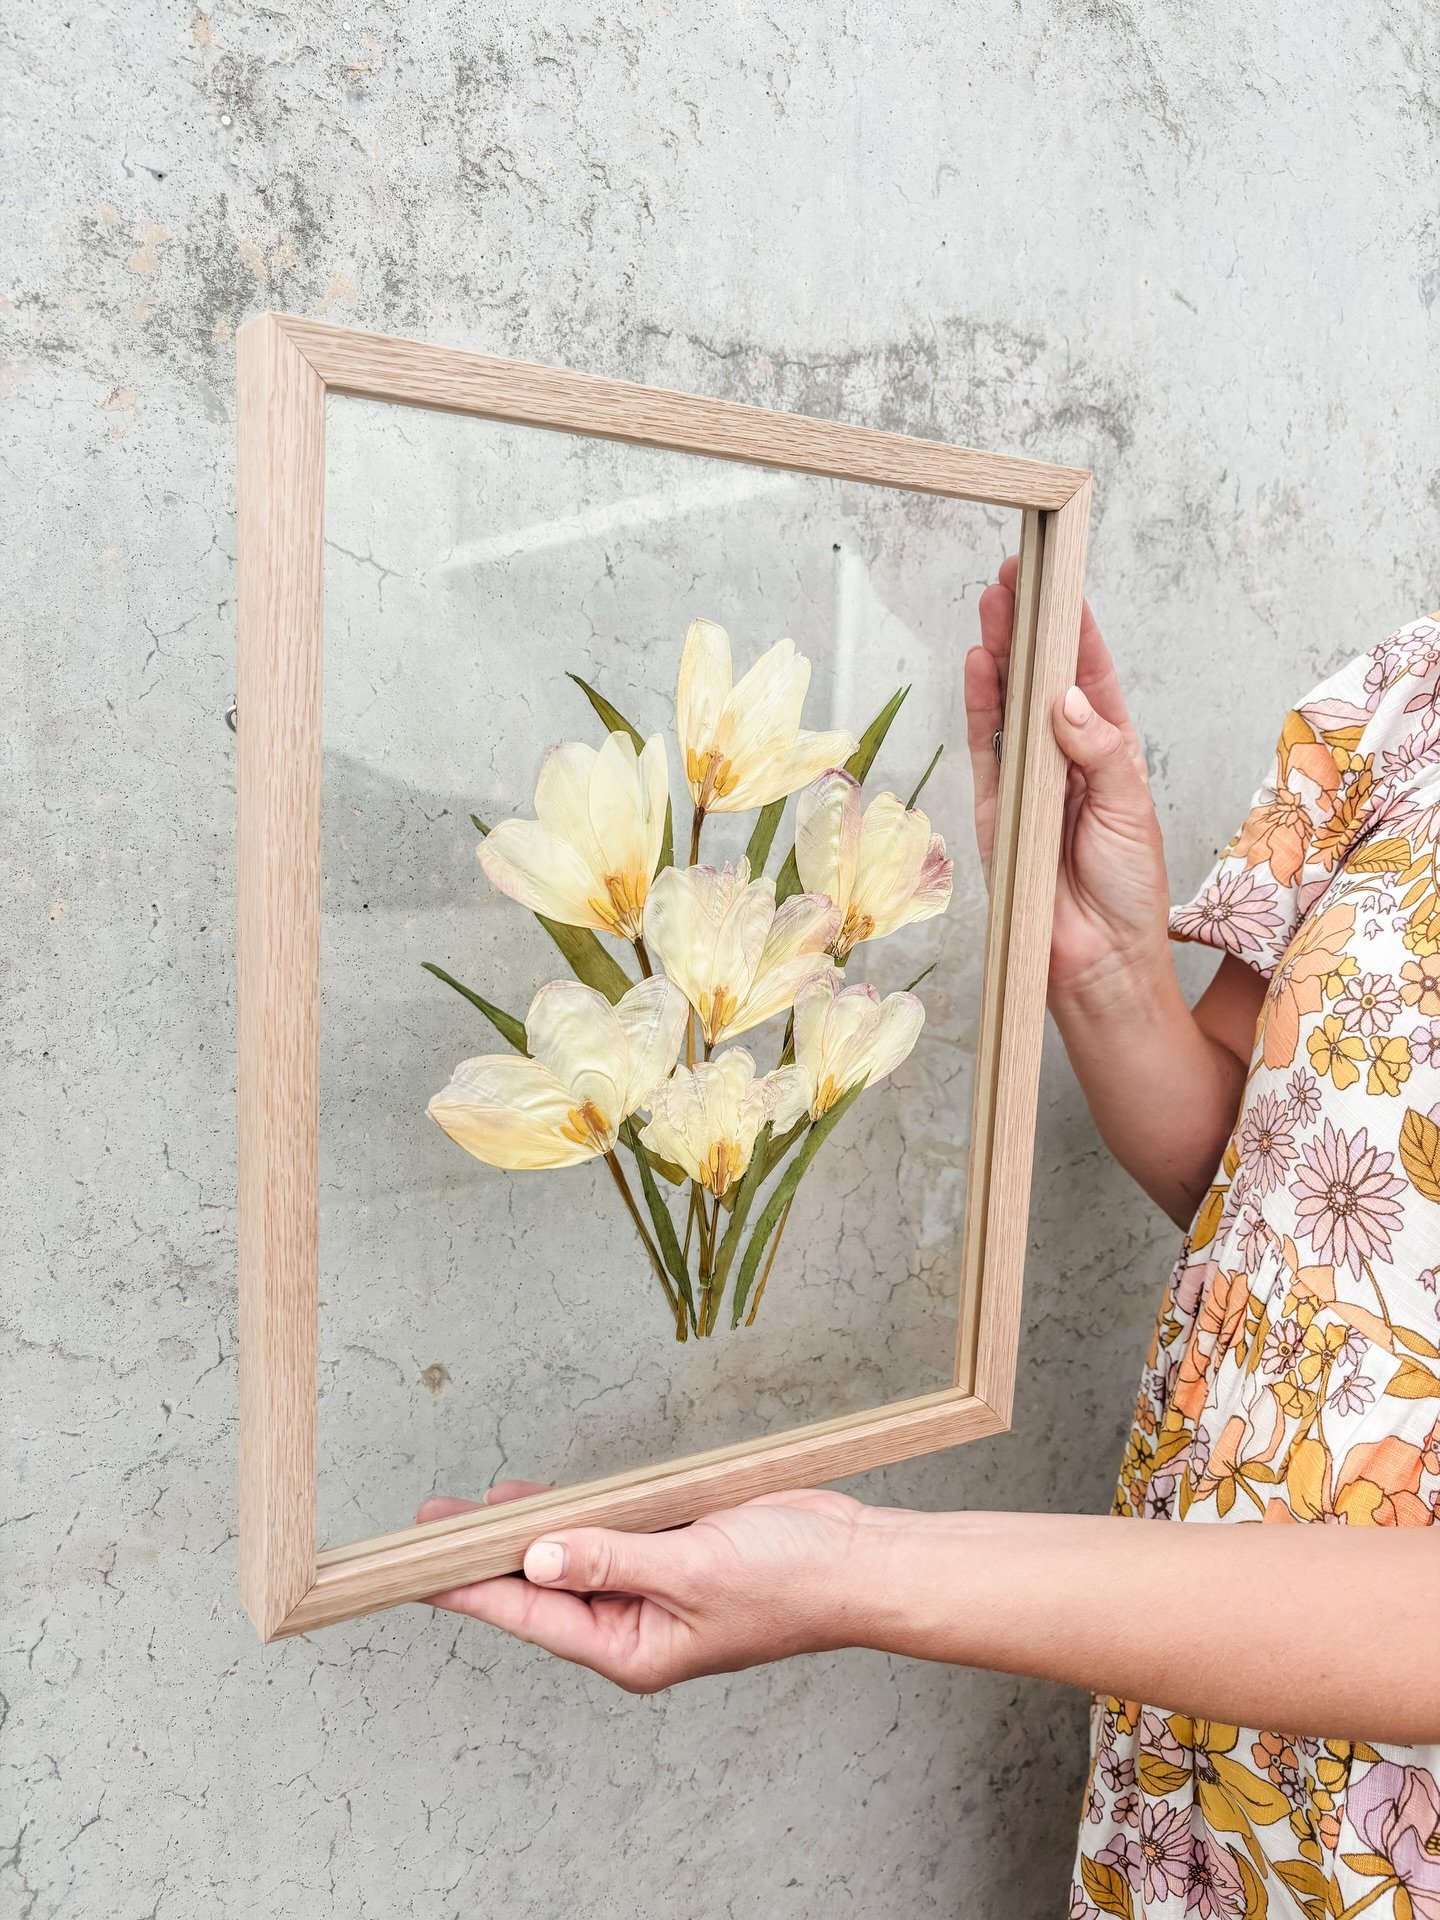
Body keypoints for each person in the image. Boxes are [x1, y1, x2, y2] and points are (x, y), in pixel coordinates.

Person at [419, 564, 1440, 1918]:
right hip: (1192, 1807)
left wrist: (855, 1569)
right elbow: (1272, 1184)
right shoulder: (1407, 698)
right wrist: (1106, 970)